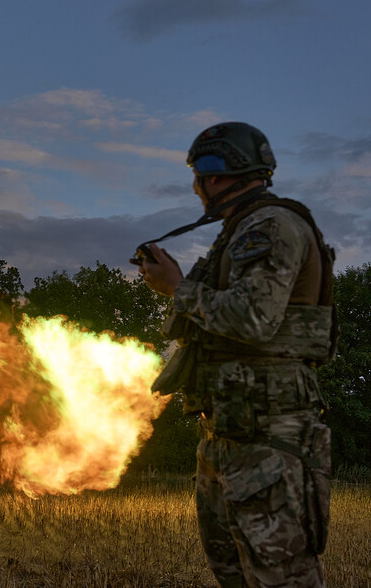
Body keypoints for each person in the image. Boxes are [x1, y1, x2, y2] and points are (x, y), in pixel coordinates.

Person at [136, 122, 335, 588]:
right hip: (230, 433)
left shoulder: (272, 225)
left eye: (202, 173)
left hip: (271, 438)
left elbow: (253, 319)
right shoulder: (240, 231)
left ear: (222, 175)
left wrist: (178, 289)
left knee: (282, 578)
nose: (197, 186)